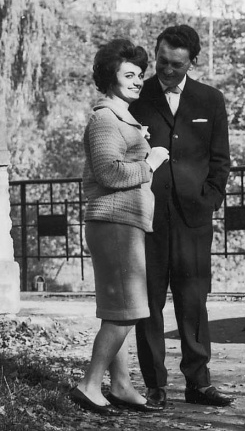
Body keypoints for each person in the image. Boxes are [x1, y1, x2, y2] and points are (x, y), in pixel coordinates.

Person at [129, 24, 233, 408]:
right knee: (149, 301)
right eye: (161, 62)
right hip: (147, 215)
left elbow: (220, 160)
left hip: (194, 218)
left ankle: (199, 383)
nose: (166, 71)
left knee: (193, 300)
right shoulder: (137, 99)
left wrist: (210, 199)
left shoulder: (210, 100)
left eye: (175, 64)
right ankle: (155, 386)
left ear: (192, 62)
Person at [70, 39, 169, 416]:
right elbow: (109, 172)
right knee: (128, 308)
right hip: (113, 221)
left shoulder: (121, 116)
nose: (138, 80)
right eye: (129, 74)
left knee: (119, 307)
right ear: (109, 78)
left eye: (140, 75)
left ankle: (122, 385)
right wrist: (152, 162)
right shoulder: (105, 118)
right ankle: (90, 384)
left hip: (122, 222)